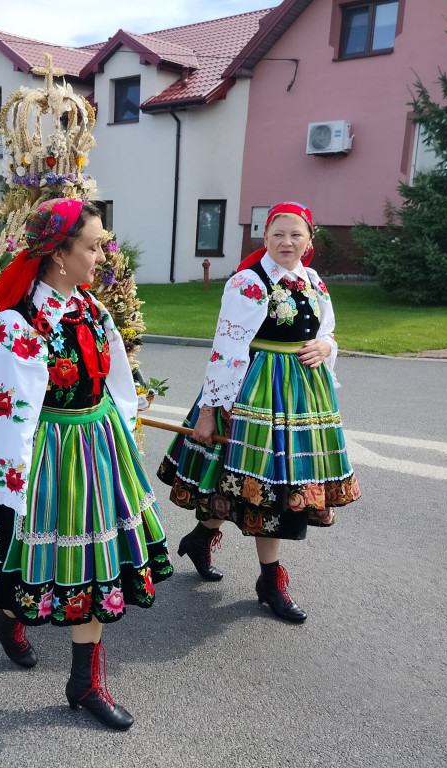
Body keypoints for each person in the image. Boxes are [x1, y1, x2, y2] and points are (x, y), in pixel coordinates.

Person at [0, 198, 172, 730]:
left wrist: (129, 410)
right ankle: (8, 619)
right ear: (58, 254)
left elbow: (113, 378)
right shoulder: (16, 325)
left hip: (99, 446)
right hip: (51, 455)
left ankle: (84, 680)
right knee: (31, 560)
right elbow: (0, 415)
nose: (102, 256)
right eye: (93, 246)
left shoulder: (91, 310)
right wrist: (7, 484)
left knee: (94, 565)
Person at [157, 202, 360, 623]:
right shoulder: (249, 283)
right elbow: (226, 351)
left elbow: (326, 331)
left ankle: (201, 538)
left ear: (309, 240)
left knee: (256, 484)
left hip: (304, 397)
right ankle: (270, 579)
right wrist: (210, 411)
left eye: (296, 235)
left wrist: (328, 347)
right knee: (265, 488)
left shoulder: (314, 282)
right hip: (256, 392)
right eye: (278, 234)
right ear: (264, 238)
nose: (287, 242)